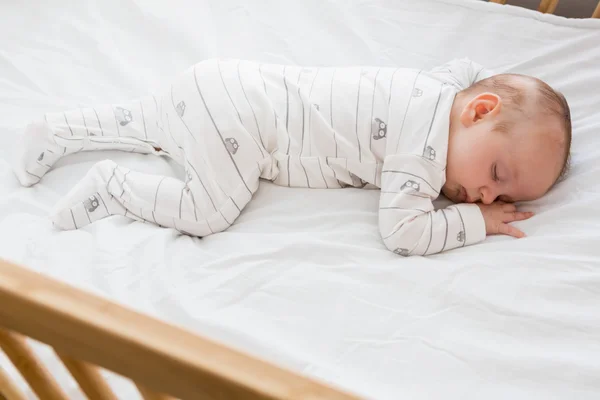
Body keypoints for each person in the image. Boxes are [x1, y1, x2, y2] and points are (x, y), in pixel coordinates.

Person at [11, 58, 571, 256]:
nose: (487, 195)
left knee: (151, 121)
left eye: (504, 197)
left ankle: (58, 131)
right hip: (245, 124)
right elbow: (404, 233)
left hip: (226, 80)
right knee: (208, 211)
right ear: (478, 110)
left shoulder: (436, 87)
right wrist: (475, 223)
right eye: (497, 174)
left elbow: (462, 68)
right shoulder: (422, 152)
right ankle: (115, 187)